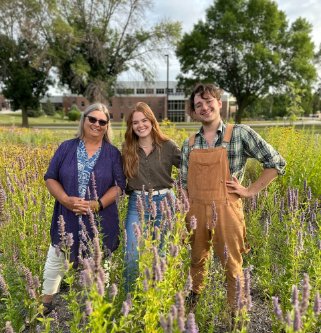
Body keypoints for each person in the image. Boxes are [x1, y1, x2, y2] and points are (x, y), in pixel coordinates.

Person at [181, 83, 286, 310]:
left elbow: (276, 162)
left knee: (232, 263)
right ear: (194, 111)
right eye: (198, 105)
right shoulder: (189, 143)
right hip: (196, 209)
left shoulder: (239, 133)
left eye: (208, 101)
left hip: (227, 208)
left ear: (219, 103)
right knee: (197, 258)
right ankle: (194, 301)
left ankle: (236, 312)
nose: (204, 107)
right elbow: (183, 185)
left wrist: (250, 191)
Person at [42, 103, 126, 314]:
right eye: (92, 119)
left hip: (100, 219)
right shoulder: (66, 147)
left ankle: (97, 311)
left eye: (102, 122)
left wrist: (97, 204)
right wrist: (65, 200)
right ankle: (44, 305)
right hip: (66, 216)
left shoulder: (112, 153)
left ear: (107, 126)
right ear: (84, 120)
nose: (97, 124)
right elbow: (50, 177)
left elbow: (119, 185)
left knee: (99, 265)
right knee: (56, 260)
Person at [122, 102, 181, 290]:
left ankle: (156, 298)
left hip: (165, 202)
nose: (140, 125)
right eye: (135, 122)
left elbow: (191, 169)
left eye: (144, 120)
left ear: (152, 121)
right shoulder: (127, 150)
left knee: (160, 254)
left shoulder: (168, 146)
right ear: (130, 126)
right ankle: (130, 300)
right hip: (137, 202)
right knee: (132, 254)